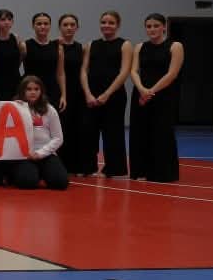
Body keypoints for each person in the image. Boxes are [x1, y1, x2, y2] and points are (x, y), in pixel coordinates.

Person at [129, 13, 184, 183]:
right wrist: (141, 89)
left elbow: (172, 73)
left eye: (156, 26)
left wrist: (151, 91)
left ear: (164, 27)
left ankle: (162, 173)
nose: (152, 29)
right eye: (149, 26)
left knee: (162, 133)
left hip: (164, 96)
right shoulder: (140, 47)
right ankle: (141, 171)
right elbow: (133, 71)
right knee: (141, 132)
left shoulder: (175, 46)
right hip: (141, 94)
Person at [82, 10, 134, 178]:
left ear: (117, 25)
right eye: (104, 22)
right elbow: (84, 70)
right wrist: (88, 94)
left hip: (114, 95)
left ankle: (114, 168)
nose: (107, 25)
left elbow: (124, 71)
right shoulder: (91, 44)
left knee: (113, 132)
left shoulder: (125, 44)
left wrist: (107, 94)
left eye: (111, 23)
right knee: (89, 131)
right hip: (92, 95)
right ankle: (88, 167)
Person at [0, 76, 69, 190]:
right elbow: (4, 132)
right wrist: (13, 108)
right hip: (24, 156)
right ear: (23, 91)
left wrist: (40, 153)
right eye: (29, 89)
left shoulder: (49, 109)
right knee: (27, 182)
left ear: (41, 91)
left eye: (36, 89)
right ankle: (19, 173)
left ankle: (42, 172)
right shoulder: (14, 107)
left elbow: (58, 138)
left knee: (60, 183)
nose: (33, 92)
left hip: (45, 154)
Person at [55, 13, 88, 177]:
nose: (69, 28)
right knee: (62, 128)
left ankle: (77, 165)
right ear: (59, 27)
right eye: (65, 25)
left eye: (72, 25)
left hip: (78, 92)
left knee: (78, 127)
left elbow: (83, 72)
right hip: (61, 92)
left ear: (77, 27)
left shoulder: (81, 48)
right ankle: (61, 165)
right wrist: (62, 94)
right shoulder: (56, 46)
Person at [0, 8, 23, 102]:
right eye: (3, 19)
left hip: (15, 80)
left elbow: (20, 58)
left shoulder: (16, 39)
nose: (6, 22)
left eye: (9, 19)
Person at [23, 12, 59, 100]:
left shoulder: (57, 47)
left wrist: (63, 95)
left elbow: (60, 74)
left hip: (51, 89)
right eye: (39, 24)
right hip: (31, 90)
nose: (42, 26)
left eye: (46, 24)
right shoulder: (25, 45)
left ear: (50, 26)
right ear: (33, 26)